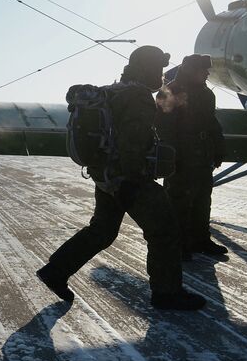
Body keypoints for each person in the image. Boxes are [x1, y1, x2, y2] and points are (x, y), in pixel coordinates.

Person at [36, 46, 206, 311]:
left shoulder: (115, 90)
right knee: (164, 230)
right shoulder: (138, 96)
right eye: (158, 68)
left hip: (105, 176)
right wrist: (130, 180)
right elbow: (132, 141)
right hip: (128, 177)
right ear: (146, 67)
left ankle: (56, 270)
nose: (161, 75)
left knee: (102, 230)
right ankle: (167, 293)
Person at [156, 54, 227, 260]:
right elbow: (163, 127)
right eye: (203, 70)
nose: (207, 74)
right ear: (190, 70)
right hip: (182, 156)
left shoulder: (206, 94)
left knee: (202, 199)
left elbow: (212, 123)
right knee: (178, 200)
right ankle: (178, 245)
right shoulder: (169, 91)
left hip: (202, 155)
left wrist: (218, 148)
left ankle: (201, 239)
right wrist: (172, 156)